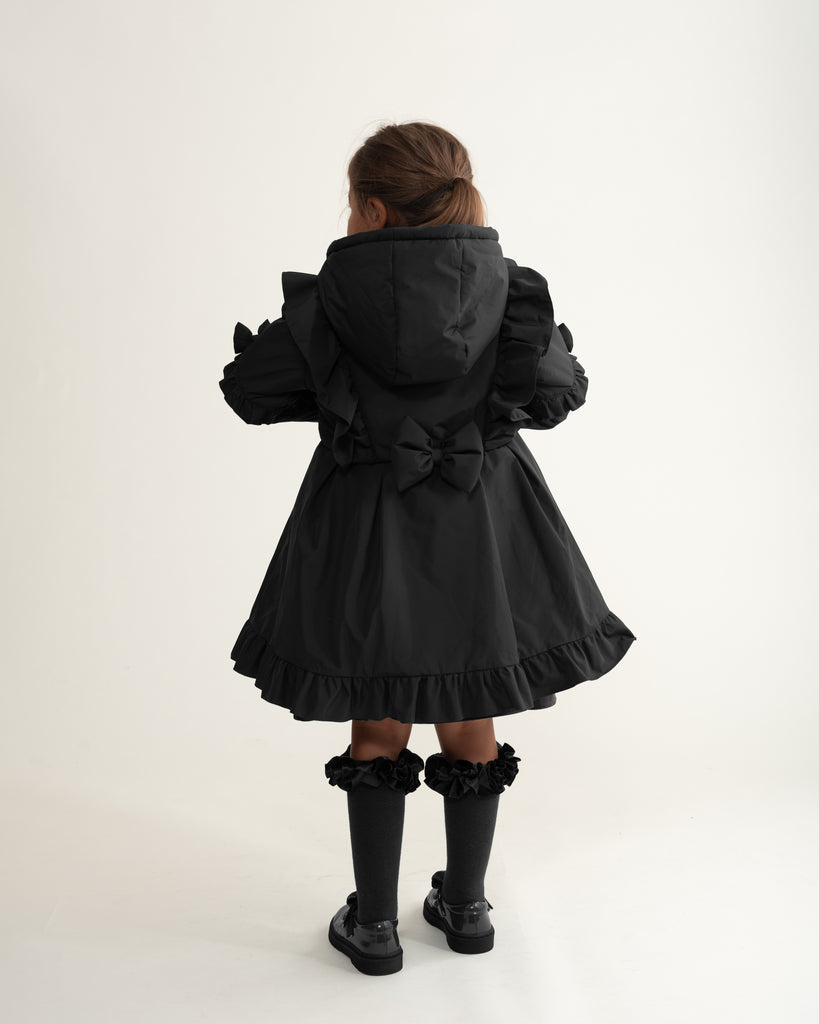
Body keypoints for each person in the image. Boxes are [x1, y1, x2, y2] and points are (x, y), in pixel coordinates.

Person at [218, 120, 637, 976]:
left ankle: (373, 925)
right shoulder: (507, 290)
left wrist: (335, 397)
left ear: (371, 208)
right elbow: (559, 393)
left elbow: (247, 389)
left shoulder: (332, 298)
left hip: (363, 528)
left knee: (378, 716)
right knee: (468, 709)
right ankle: (466, 909)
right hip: (483, 532)